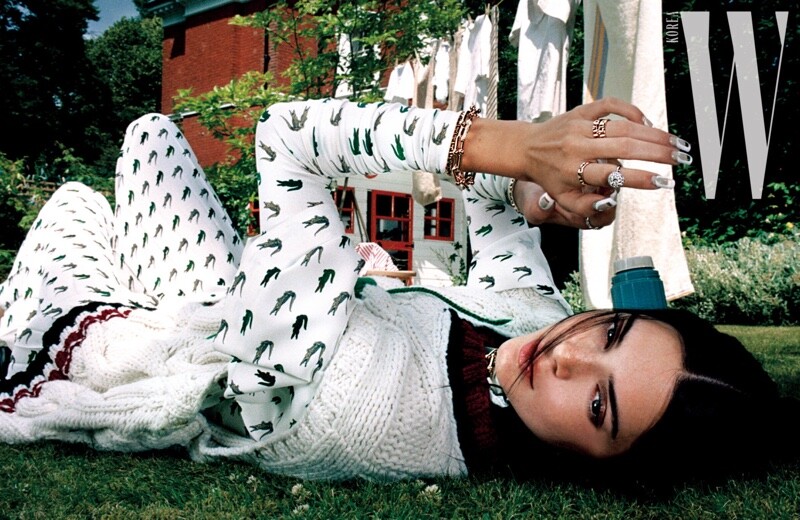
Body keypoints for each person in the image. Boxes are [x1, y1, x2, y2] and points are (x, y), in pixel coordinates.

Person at [0, 98, 795, 487]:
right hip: (232, 294)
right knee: (149, 135)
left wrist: (505, 142)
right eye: (612, 333)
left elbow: (287, 137)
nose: (568, 358)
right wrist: (531, 194)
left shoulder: (359, 409)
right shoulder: (537, 332)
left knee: (75, 206)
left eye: (598, 406)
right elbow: (489, 203)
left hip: (150, 338)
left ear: (594, 466)